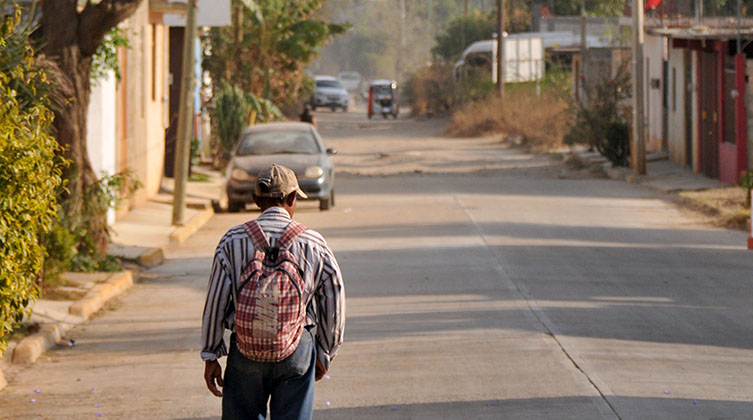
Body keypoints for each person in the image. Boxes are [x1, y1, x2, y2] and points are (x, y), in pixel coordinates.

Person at [201, 164, 345, 420]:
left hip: (246, 349)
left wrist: (211, 354)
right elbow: (334, 299)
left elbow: (216, 300)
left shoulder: (232, 240)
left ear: (256, 199)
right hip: (297, 348)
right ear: (292, 199)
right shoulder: (313, 242)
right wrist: (325, 352)